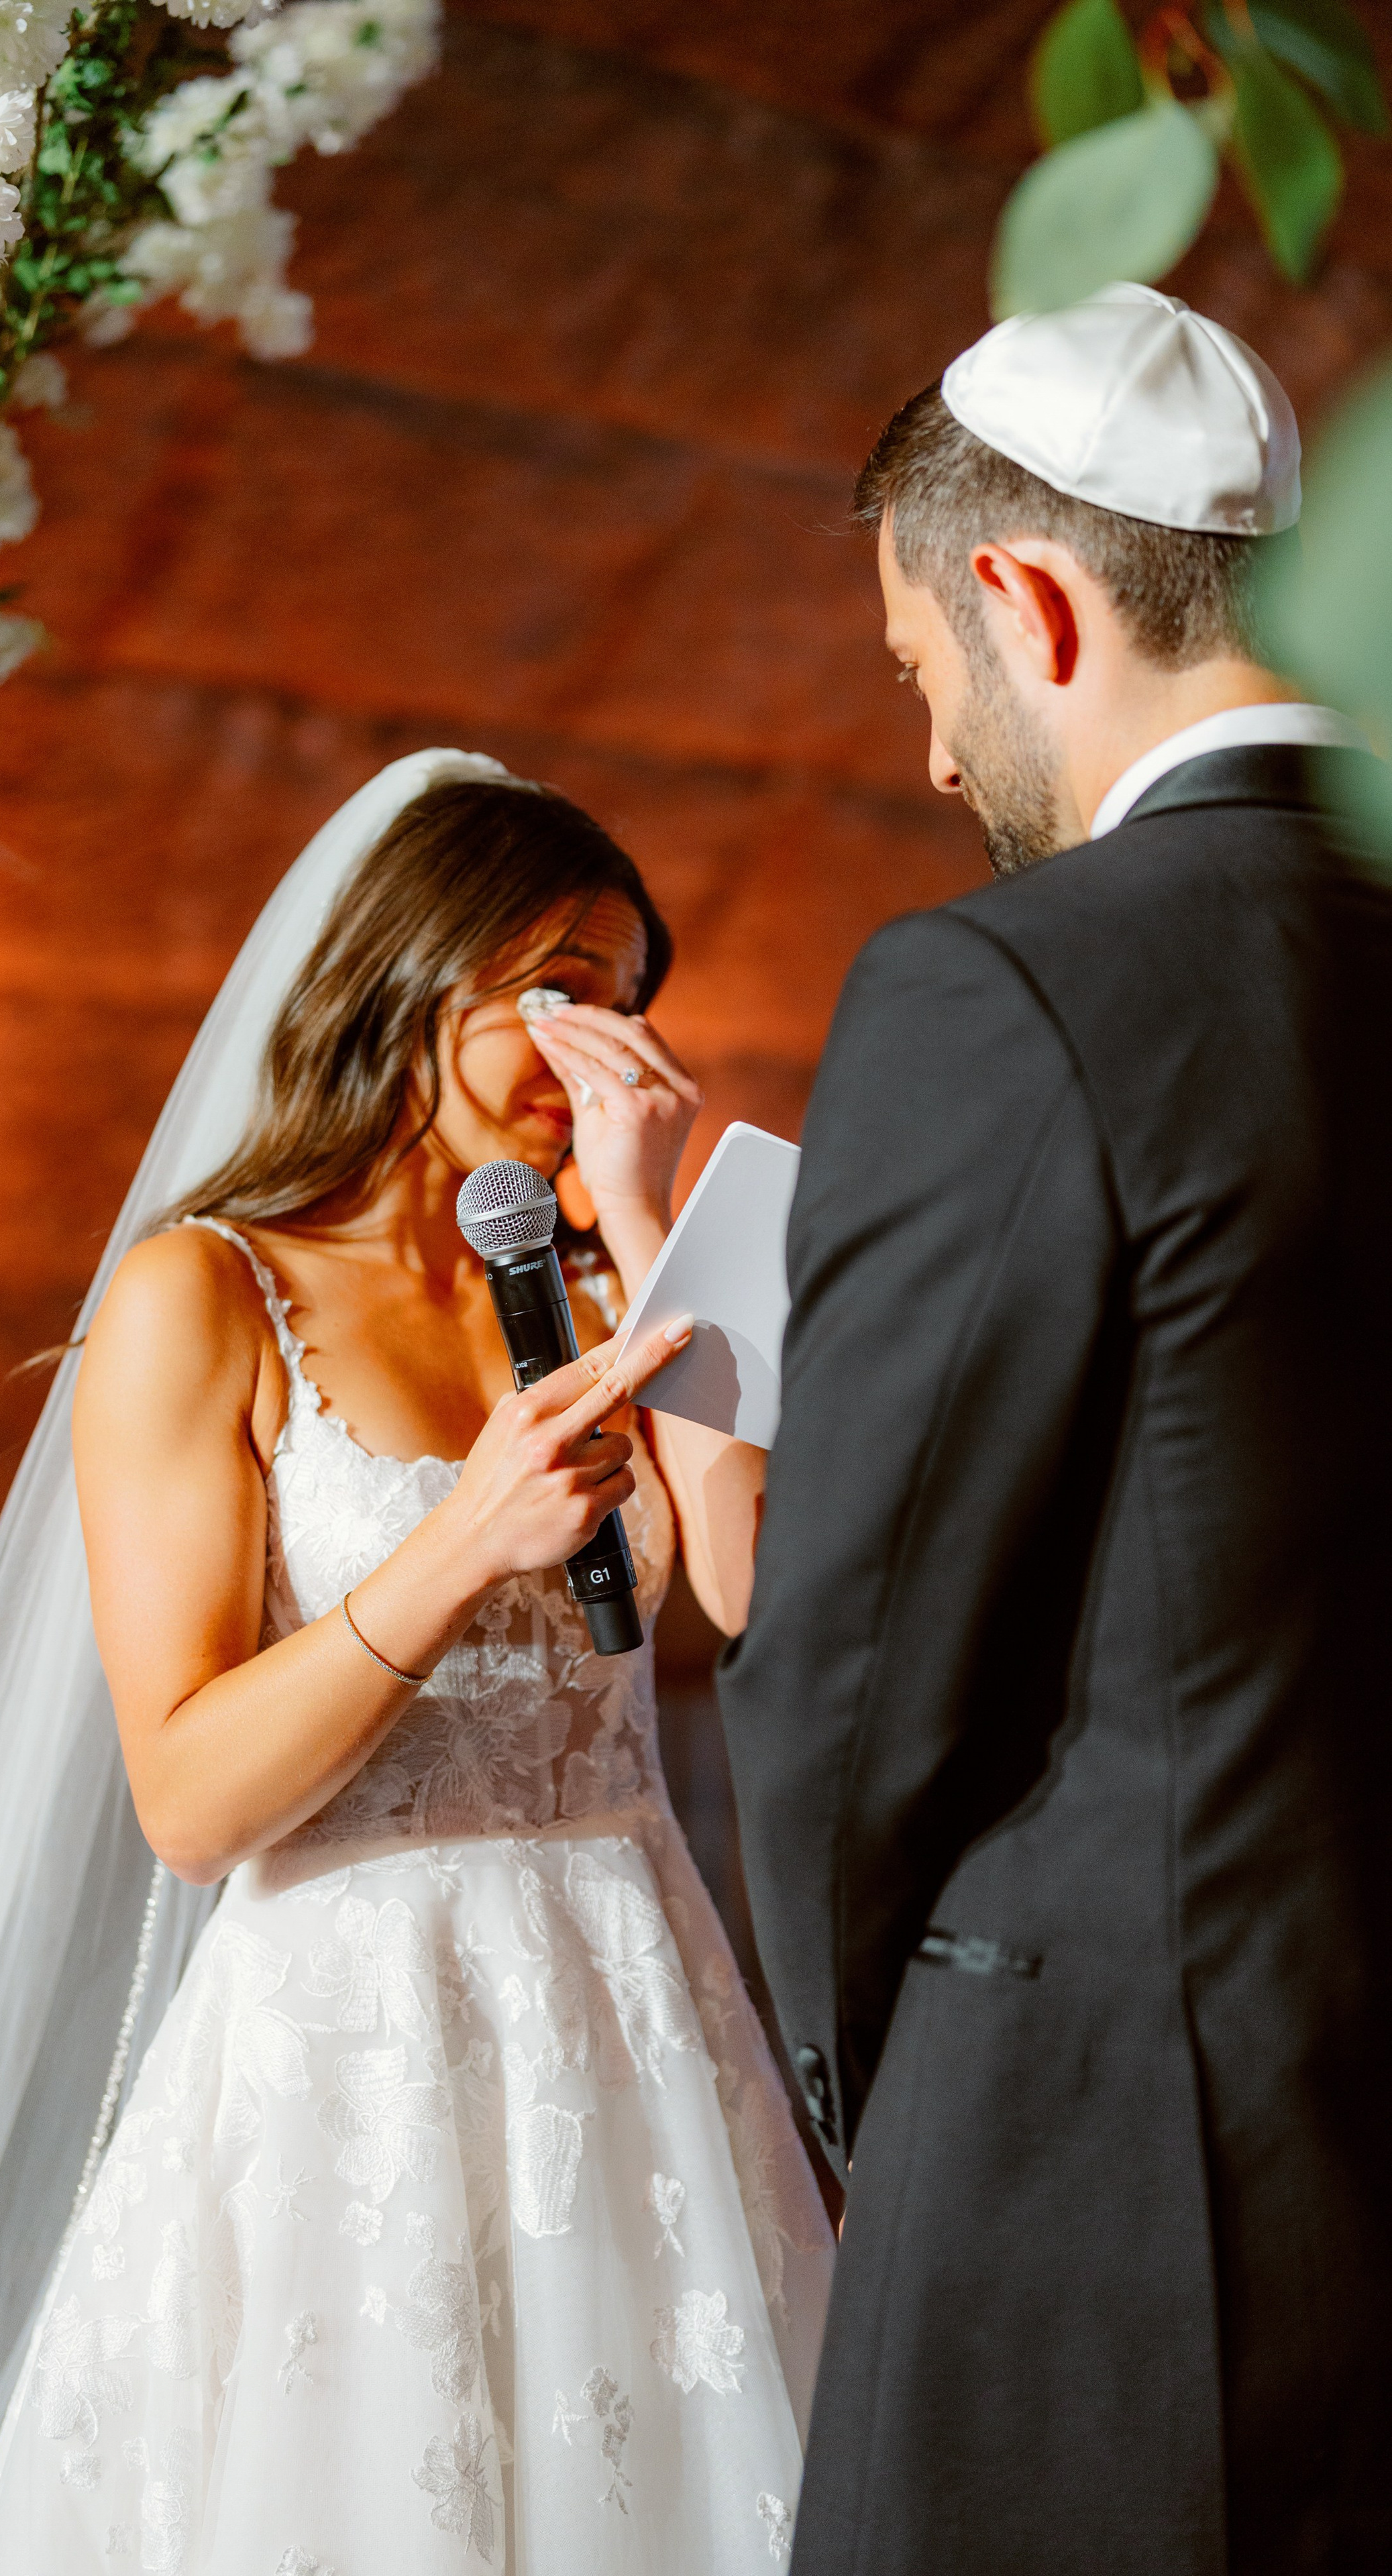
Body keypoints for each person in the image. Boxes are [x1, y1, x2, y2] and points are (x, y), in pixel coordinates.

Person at [0, 749, 828, 2576]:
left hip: (632, 2014)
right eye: (558, 992)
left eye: (625, 1003)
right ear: (408, 970)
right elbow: (192, 1798)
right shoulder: (204, 1297)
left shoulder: (614, 1285)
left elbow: (750, 1590)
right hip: (353, 2045)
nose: (599, 1045)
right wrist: (464, 1539)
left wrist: (659, 1218)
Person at [717, 283, 1392, 2575]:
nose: (933, 758)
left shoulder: (1002, 979)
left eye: (921, 670)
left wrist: (848, 2082)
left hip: (1116, 2173)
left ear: (1026, 595)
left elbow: (860, 1658)